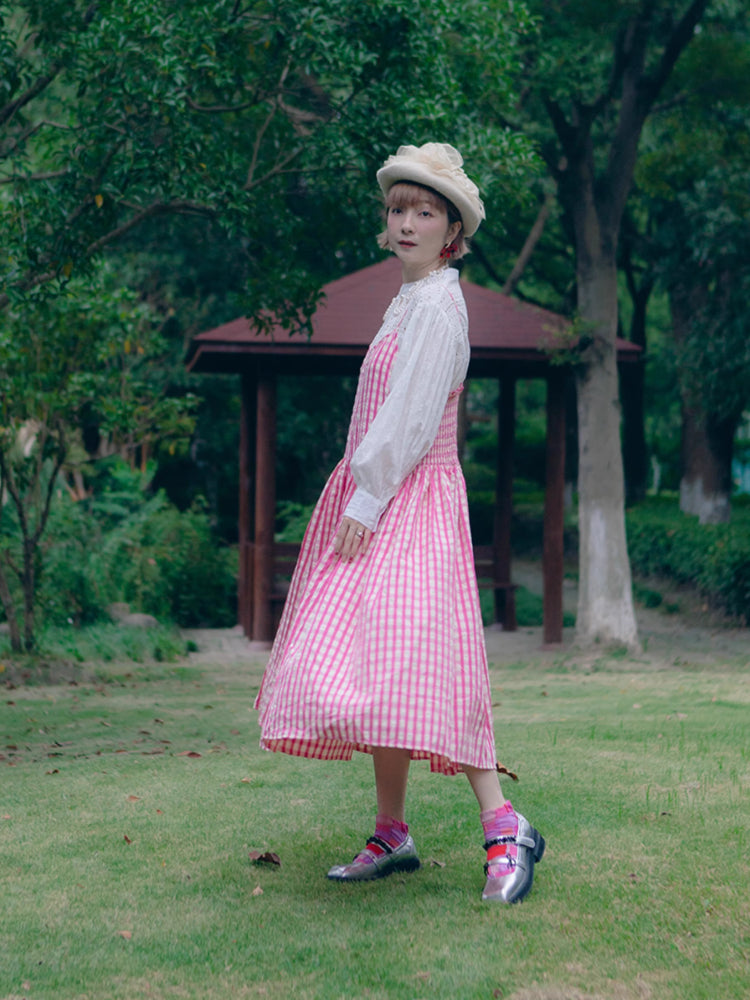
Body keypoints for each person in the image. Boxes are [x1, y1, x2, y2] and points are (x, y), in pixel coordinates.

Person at [254, 142, 545, 904]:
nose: (408, 222)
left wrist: (366, 498)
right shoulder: (409, 301)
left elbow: (411, 418)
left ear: (452, 231)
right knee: (381, 665)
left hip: (410, 500)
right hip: (386, 493)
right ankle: (393, 830)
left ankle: (506, 825)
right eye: (398, 210)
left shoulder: (441, 307)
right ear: (385, 225)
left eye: (425, 211)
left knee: (435, 665)